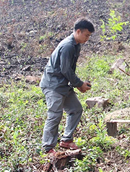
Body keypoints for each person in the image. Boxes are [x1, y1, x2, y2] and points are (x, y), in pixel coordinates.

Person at [40, 17, 94, 154]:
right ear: (78, 31)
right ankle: (48, 148)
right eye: (86, 35)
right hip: (53, 85)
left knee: (76, 109)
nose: (87, 38)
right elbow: (65, 70)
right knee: (55, 115)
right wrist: (79, 84)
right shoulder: (68, 46)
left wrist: (78, 84)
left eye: (89, 36)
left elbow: (68, 70)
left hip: (63, 84)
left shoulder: (76, 45)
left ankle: (66, 140)